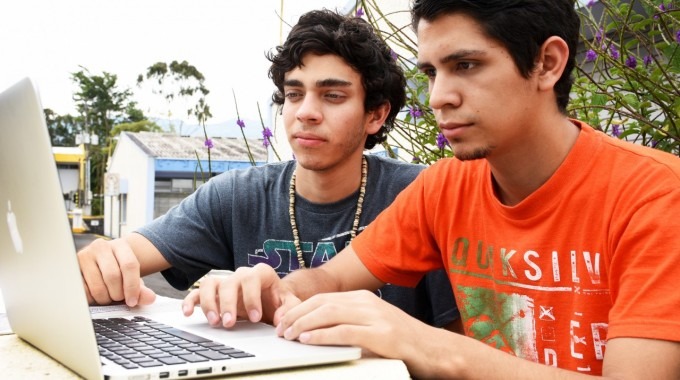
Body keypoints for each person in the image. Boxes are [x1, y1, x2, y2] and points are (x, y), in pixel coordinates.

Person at [187, 0, 680, 378]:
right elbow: (329, 280)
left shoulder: (657, 196)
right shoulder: (447, 186)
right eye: (432, 72)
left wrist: (424, 344)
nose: (439, 97)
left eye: (465, 65)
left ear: (547, 64)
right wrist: (267, 288)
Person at [77, 9, 459, 330]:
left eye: (333, 95)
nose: (306, 112)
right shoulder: (237, 195)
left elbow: (458, 340)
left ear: (376, 114)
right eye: (294, 94)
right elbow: (128, 254)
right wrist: (102, 262)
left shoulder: (422, 195)